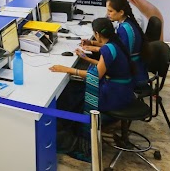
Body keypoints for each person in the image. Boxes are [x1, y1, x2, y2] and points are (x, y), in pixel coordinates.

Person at [50, 18, 136, 161]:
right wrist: (85, 58)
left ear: (97, 34)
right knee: (75, 91)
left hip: (114, 96)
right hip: (124, 91)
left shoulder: (108, 49)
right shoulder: (115, 44)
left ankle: (75, 139)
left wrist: (68, 70)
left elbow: (95, 75)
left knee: (72, 95)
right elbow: (105, 65)